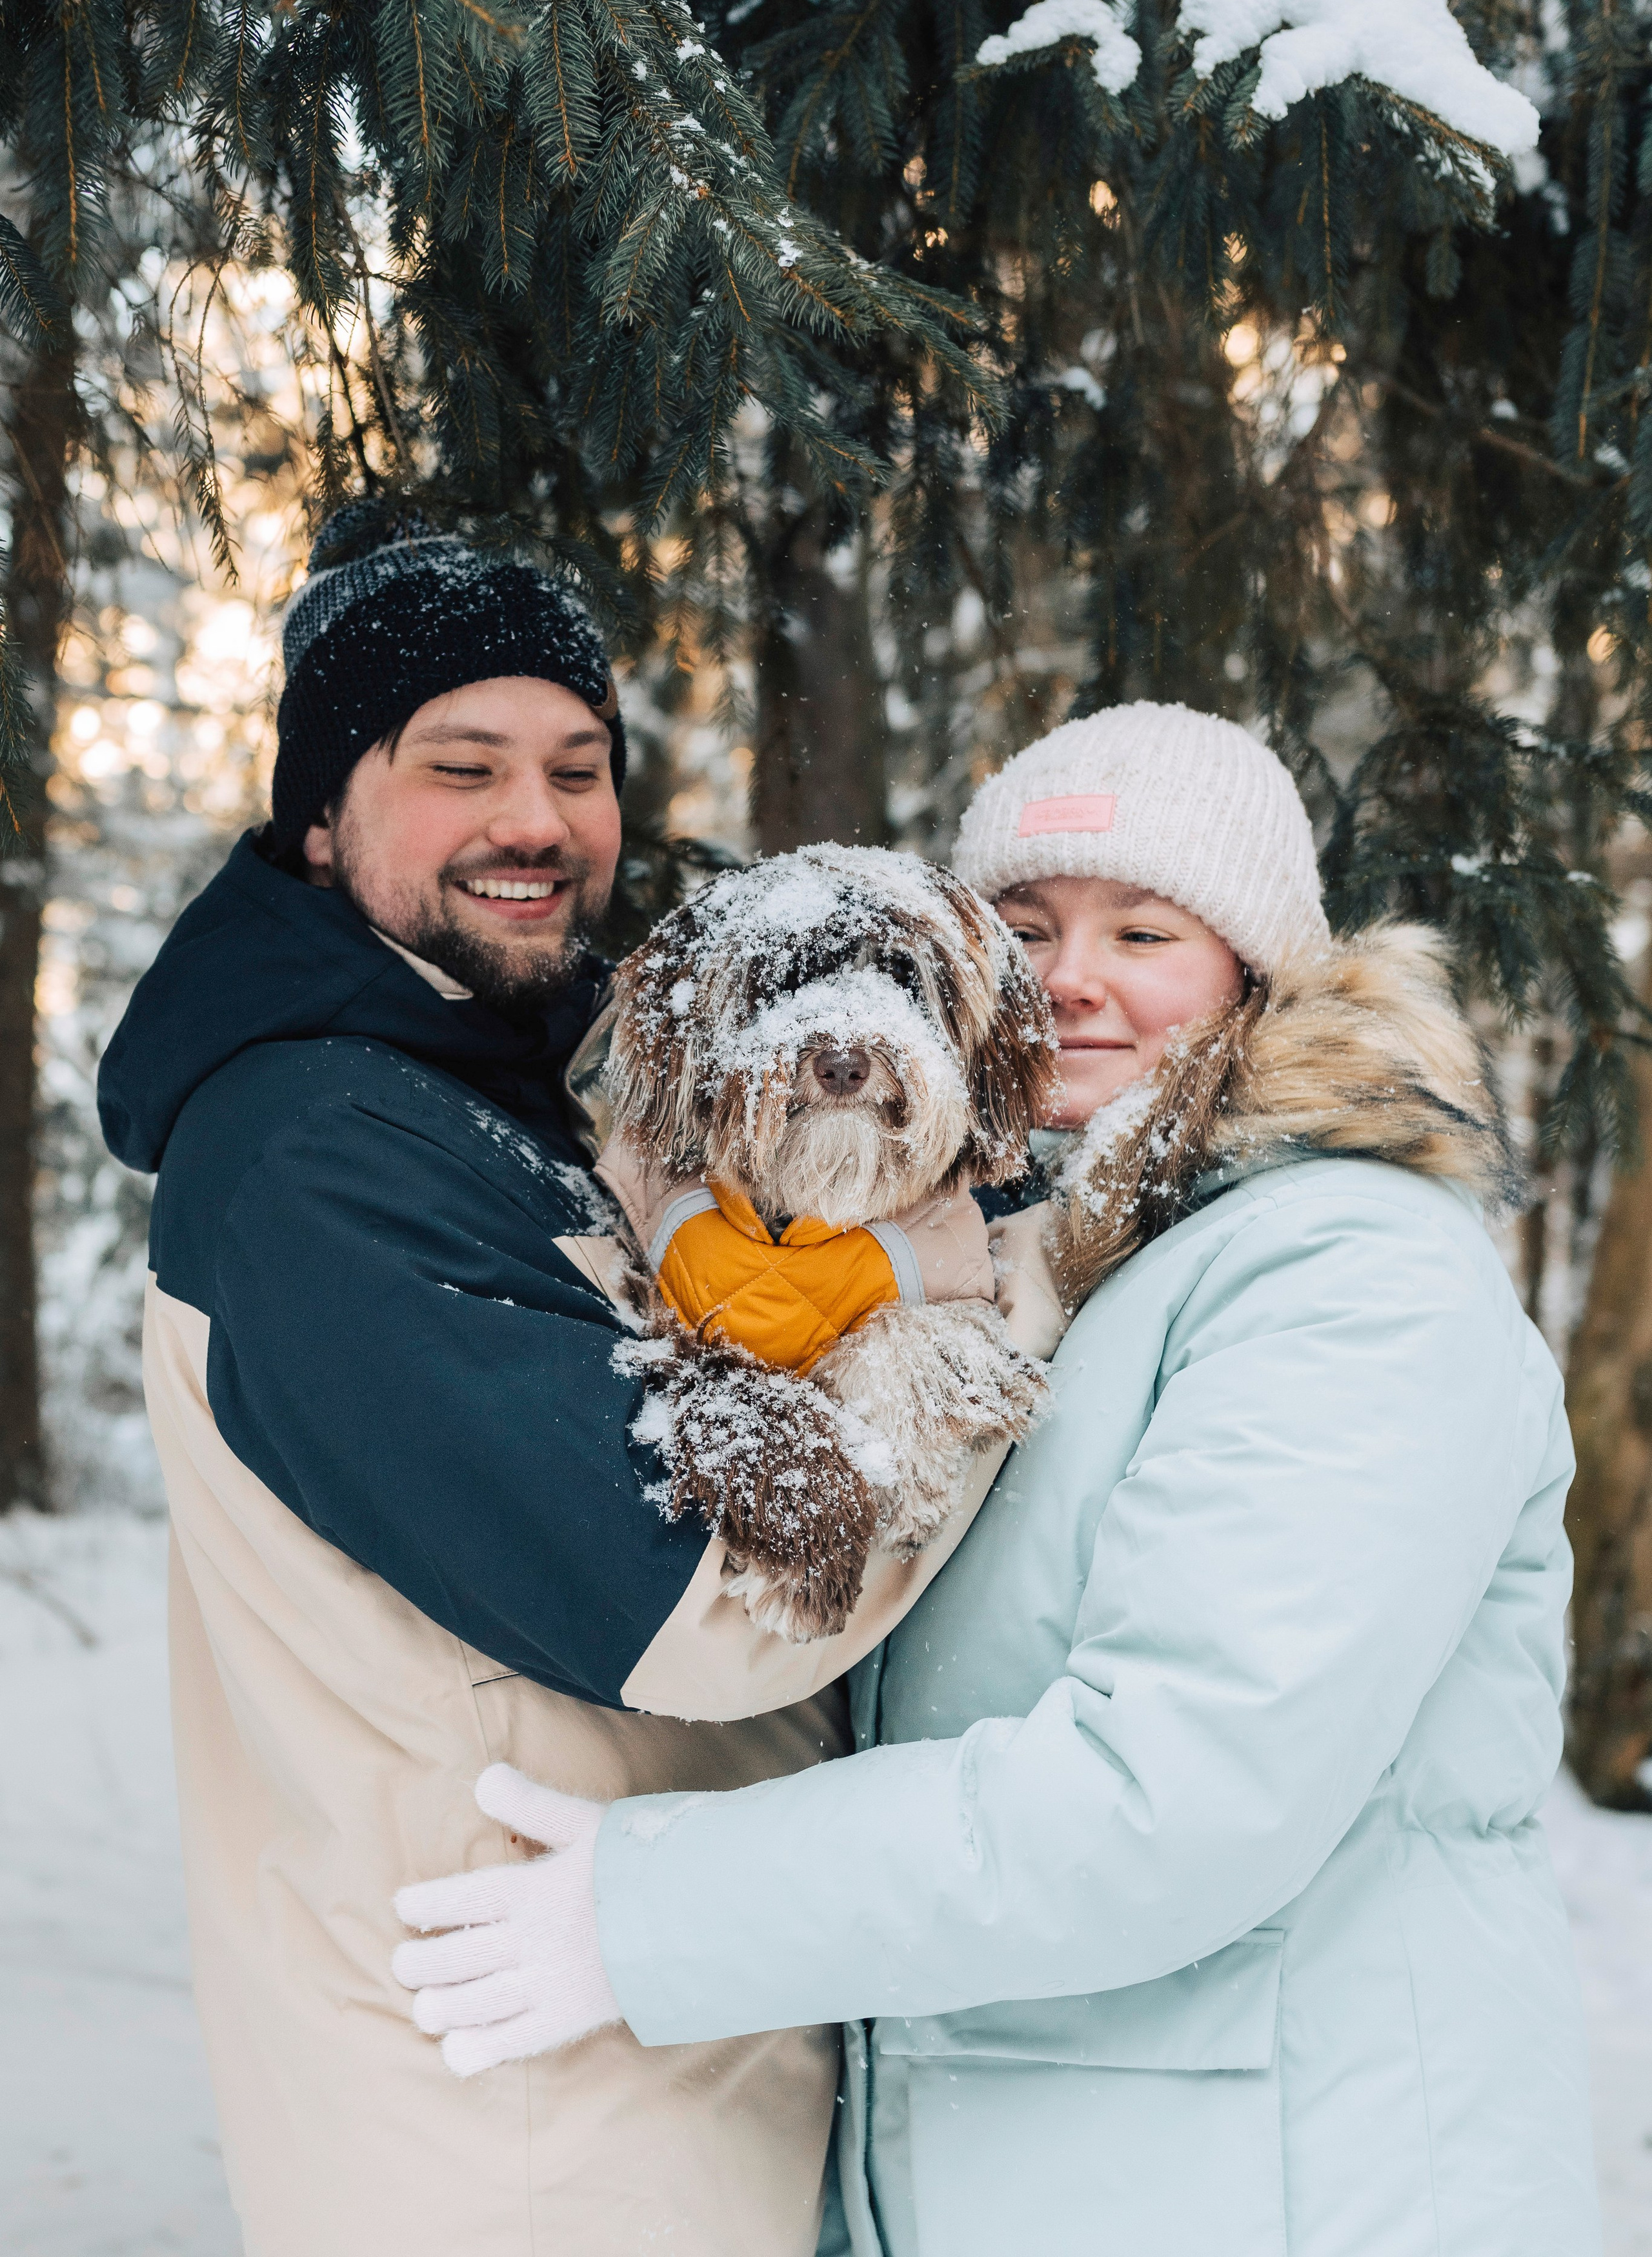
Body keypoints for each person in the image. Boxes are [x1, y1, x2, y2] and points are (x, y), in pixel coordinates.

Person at [396, 700, 1602, 2257]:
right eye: (1025, 928)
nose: (1072, 975)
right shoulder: (1036, 1266)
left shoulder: (1348, 1272)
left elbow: (1173, 1797)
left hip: (1305, 2193)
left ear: (1258, 972)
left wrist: (656, 1910)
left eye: (1144, 930)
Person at [95, 505, 997, 2257]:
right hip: (513, 2139)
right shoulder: (311, 1158)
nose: (537, 819)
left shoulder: (485, 1097)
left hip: (647, 2074)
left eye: (578, 768)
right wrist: (965, 1283)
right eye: (464, 765)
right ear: (320, 811)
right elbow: (717, 1596)